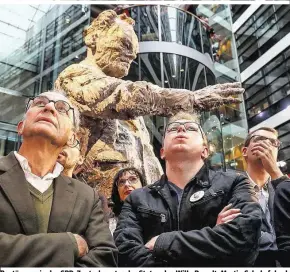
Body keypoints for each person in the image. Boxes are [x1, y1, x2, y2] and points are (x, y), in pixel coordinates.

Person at [114, 112, 262, 267]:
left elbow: (244, 238)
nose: (181, 130)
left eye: (191, 128)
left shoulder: (234, 183)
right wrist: (213, 235)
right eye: (173, 129)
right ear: (162, 151)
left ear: (205, 150)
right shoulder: (138, 199)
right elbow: (124, 252)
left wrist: (163, 242)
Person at [0, 91, 118, 267]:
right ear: (21, 126)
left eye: (62, 109)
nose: (49, 107)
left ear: (71, 137)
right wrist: (69, 245)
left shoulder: (87, 197)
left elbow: (105, 259)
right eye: (39, 103)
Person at [242, 126, 289, 266]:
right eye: (260, 139)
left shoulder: (282, 187)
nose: (267, 144)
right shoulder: (231, 187)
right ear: (245, 151)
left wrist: (276, 172)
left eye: (273, 142)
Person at [110, 167, 147, 233]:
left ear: (143, 185)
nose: (126, 184)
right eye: (121, 182)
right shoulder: (110, 221)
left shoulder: (158, 212)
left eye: (133, 179)